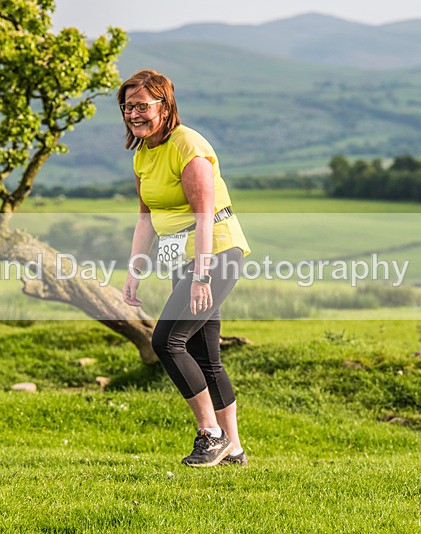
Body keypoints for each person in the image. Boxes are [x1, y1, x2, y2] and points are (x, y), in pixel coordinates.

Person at [119, 69, 251, 467]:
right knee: (204, 354)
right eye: (127, 107)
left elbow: (206, 216)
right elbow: (146, 218)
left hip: (217, 255)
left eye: (142, 105)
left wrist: (201, 276)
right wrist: (134, 270)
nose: (133, 114)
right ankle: (235, 451)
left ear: (165, 104)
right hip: (184, 257)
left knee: (166, 341)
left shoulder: (188, 146)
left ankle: (210, 434)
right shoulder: (144, 153)